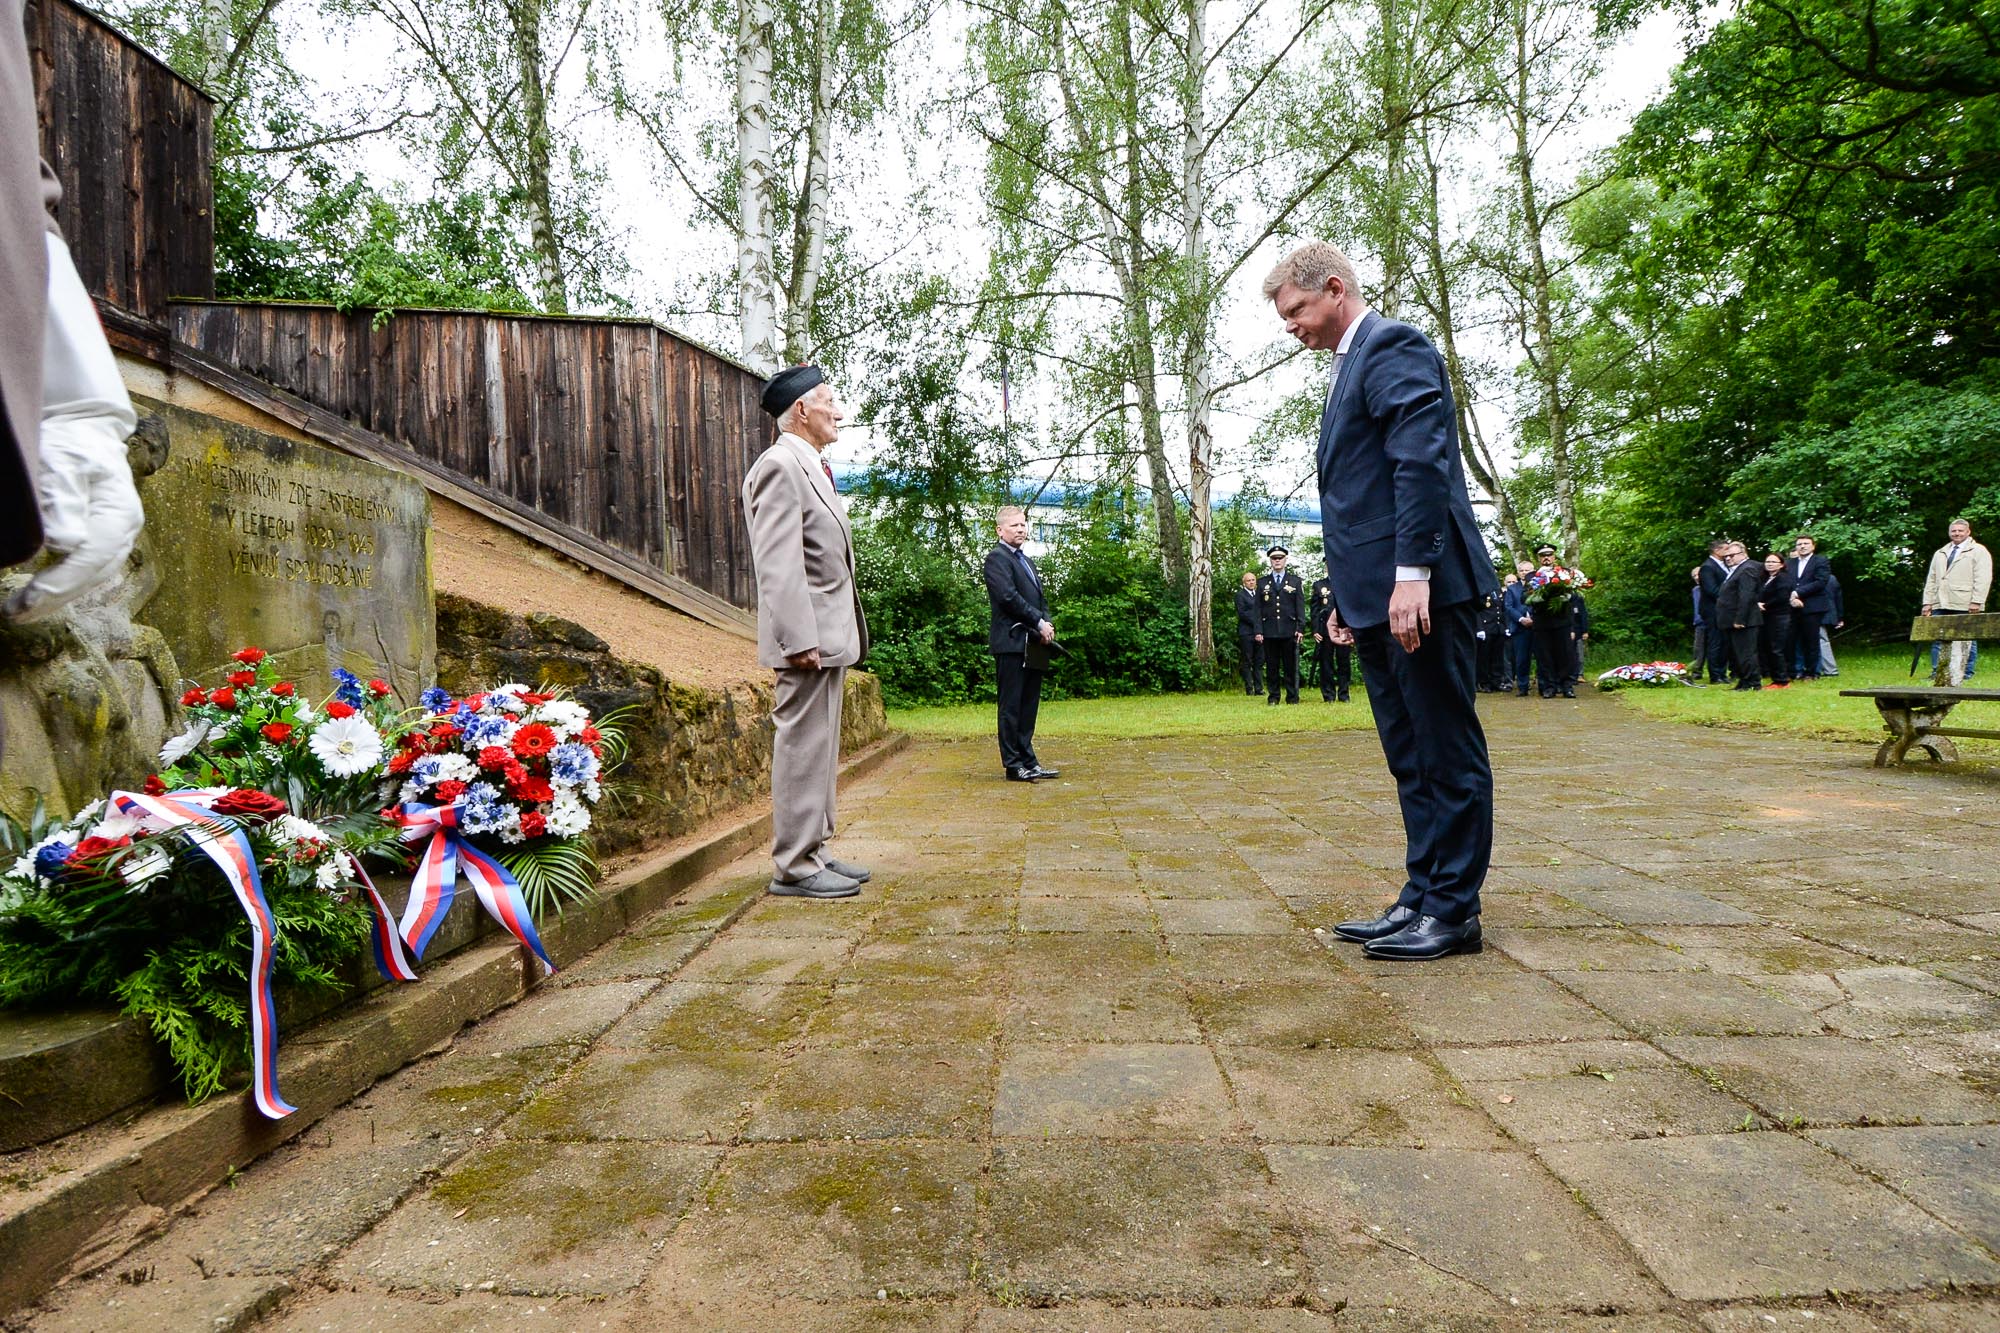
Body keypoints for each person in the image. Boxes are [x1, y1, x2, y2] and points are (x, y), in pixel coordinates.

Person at [1266, 240, 1495, 962]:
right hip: (1377, 597)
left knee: (1444, 746)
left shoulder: (1391, 343)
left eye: (1298, 309)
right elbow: (1357, 496)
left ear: (1335, 289)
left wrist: (1411, 575)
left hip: (1423, 590)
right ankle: (1422, 894)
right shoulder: (1345, 368)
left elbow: (1419, 461)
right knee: (1409, 754)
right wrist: (1347, 595)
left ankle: (1455, 911)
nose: (1292, 326)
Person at [741, 365, 872, 899]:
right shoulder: (780, 466)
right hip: (808, 640)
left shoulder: (809, 465)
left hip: (828, 635)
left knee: (820, 748)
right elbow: (779, 564)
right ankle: (794, 866)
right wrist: (798, 640)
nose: (839, 412)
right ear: (801, 409)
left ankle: (814, 848)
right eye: (830, 401)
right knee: (801, 748)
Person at [985, 505, 1060, 781]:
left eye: (1023, 524)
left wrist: (1046, 623)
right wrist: (1038, 623)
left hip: (1033, 644)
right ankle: (1014, 765)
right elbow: (1008, 598)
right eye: (1014, 525)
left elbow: (1039, 600)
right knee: (1011, 706)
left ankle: (1029, 759)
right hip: (1011, 641)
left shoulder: (1027, 561)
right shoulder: (996, 559)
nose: (1021, 529)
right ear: (1000, 530)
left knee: (1028, 705)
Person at [1922, 518, 1991, 680]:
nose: (1957, 533)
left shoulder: (1978, 551)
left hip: (1965, 602)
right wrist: (1927, 602)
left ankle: (1966, 673)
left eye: (1960, 530)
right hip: (1941, 601)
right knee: (1938, 639)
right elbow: (1931, 579)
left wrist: (1977, 601)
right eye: (1954, 531)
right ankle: (1937, 673)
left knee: (1967, 639)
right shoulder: (1940, 553)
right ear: (1949, 533)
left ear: (1968, 532)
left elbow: (1983, 578)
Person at [1256, 545, 1305, 705]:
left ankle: (1292, 697)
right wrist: (1258, 630)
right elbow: (1257, 609)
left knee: (1290, 666)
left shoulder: (1295, 581)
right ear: (1270, 561)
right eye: (1274, 558)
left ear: (1285, 560)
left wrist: (1300, 628)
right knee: (1272, 666)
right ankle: (1274, 697)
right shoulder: (1262, 582)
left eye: (1280, 558)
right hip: (1269, 630)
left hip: (1289, 630)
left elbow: (1300, 607)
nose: (1277, 561)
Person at [1526, 545, 1576, 699]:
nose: (1546, 558)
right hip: (1542, 623)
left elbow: (1574, 596)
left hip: (1562, 622)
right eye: (1543, 555)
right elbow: (1524, 597)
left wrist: (1566, 597)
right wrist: (1537, 597)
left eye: (1549, 554)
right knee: (1544, 657)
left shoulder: (1564, 573)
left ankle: (1567, 686)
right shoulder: (1532, 576)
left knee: (1565, 655)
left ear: (1554, 557)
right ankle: (1548, 687)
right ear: (1538, 559)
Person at [1716, 541, 1764, 690]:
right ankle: (1744, 681)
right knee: (1738, 653)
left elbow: (1746, 596)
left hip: (1744, 620)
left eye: (1732, 555)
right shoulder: (1736, 569)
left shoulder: (1747, 569)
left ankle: (1753, 682)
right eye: (1726, 556)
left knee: (1746, 653)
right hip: (1733, 619)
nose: (1728, 558)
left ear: (1743, 554)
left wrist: (1740, 619)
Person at [1787, 535, 1831, 681]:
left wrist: (1798, 593)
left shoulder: (1820, 561)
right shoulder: (1790, 563)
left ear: (1813, 546)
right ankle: (1795, 671)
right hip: (1792, 606)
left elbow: (1821, 582)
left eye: (1806, 543)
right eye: (1799, 544)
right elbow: (1786, 582)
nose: (1803, 546)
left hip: (1812, 606)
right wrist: (1792, 597)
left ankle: (1812, 672)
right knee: (1792, 640)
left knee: (1811, 640)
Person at [1310, 573, 1352, 701]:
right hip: (1324, 630)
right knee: (1326, 663)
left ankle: (1344, 694)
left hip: (1343, 628)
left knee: (1344, 662)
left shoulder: (1346, 582)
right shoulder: (1319, 585)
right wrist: (1315, 629)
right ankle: (1328, 694)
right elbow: (1315, 610)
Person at [1757, 552, 1796, 689]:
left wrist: (1764, 605)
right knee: (1769, 648)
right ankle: (1776, 678)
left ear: (1781, 564)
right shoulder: (1766, 578)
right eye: (1767, 562)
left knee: (1776, 649)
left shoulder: (1783, 579)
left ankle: (1782, 680)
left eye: (1773, 562)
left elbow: (1781, 597)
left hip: (1779, 617)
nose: (1769, 564)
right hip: (1767, 617)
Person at [1697, 539, 1733, 684]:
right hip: (1713, 610)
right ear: (1717, 551)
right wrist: (1731, 596)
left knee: (1724, 642)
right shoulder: (1707, 567)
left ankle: (1722, 673)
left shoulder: (1724, 565)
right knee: (1715, 641)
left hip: (1723, 610)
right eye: (1726, 549)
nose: (1728, 553)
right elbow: (1711, 590)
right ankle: (1715, 674)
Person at [1504, 562, 1533, 695]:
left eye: (1527, 570)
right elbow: (1509, 607)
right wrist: (1521, 619)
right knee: (1521, 660)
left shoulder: (1539, 586)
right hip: (1520, 628)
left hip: (1537, 627)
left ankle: (1546, 687)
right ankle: (1523, 687)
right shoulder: (1512, 589)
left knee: (1543, 657)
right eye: (1521, 570)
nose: (1524, 572)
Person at [1233, 571, 1263, 695]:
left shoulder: (1260, 595)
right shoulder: (1240, 596)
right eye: (1248, 580)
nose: (1251, 582)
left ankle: (1259, 688)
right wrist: (1257, 625)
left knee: (1259, 661)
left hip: (1260, 633)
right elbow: (1243, 614)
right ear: (1244, 583)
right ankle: (1249, 688)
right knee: (1247, 660)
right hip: (1247, 632)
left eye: (1253, 580)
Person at [1475, 590, 1506, 691]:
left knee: (1497, 657)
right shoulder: (1481, 591)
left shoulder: (1498, 591)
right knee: (1484, 658)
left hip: (1498, 628)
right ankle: (1484, 683)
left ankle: (1496, 681)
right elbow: (1477, 611)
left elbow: (1502, 609)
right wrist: (1479, 628)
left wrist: (1505, 626)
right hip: (1486, 628)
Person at [1819, 571, 1844, 676]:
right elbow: (1838, 598)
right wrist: (1840, 616)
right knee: (1821, 641)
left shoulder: (1817, 579)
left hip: (1817, 614)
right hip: (1828, 614)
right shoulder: (1831, 578)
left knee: (1821, 641)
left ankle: (1830, 670)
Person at [1689, 568, 1708, 683]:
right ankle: (1696, 672)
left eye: (1698, 574)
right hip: (1699, 623)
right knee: (1698, 649)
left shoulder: (1712, 589)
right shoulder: (1695, 590)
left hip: (1712, 622)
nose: (1696, 577)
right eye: (1694, 575)